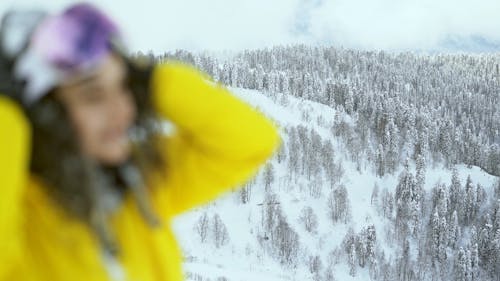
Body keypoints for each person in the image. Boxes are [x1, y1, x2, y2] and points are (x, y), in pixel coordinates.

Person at [0, 3, 281, 281]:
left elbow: (250, 142)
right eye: (94, 96)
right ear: (44, 113)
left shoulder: (137, 184)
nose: (123, 111)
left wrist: (154, 82)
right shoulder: (20, 220)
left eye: (124, 87)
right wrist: (7, 115)